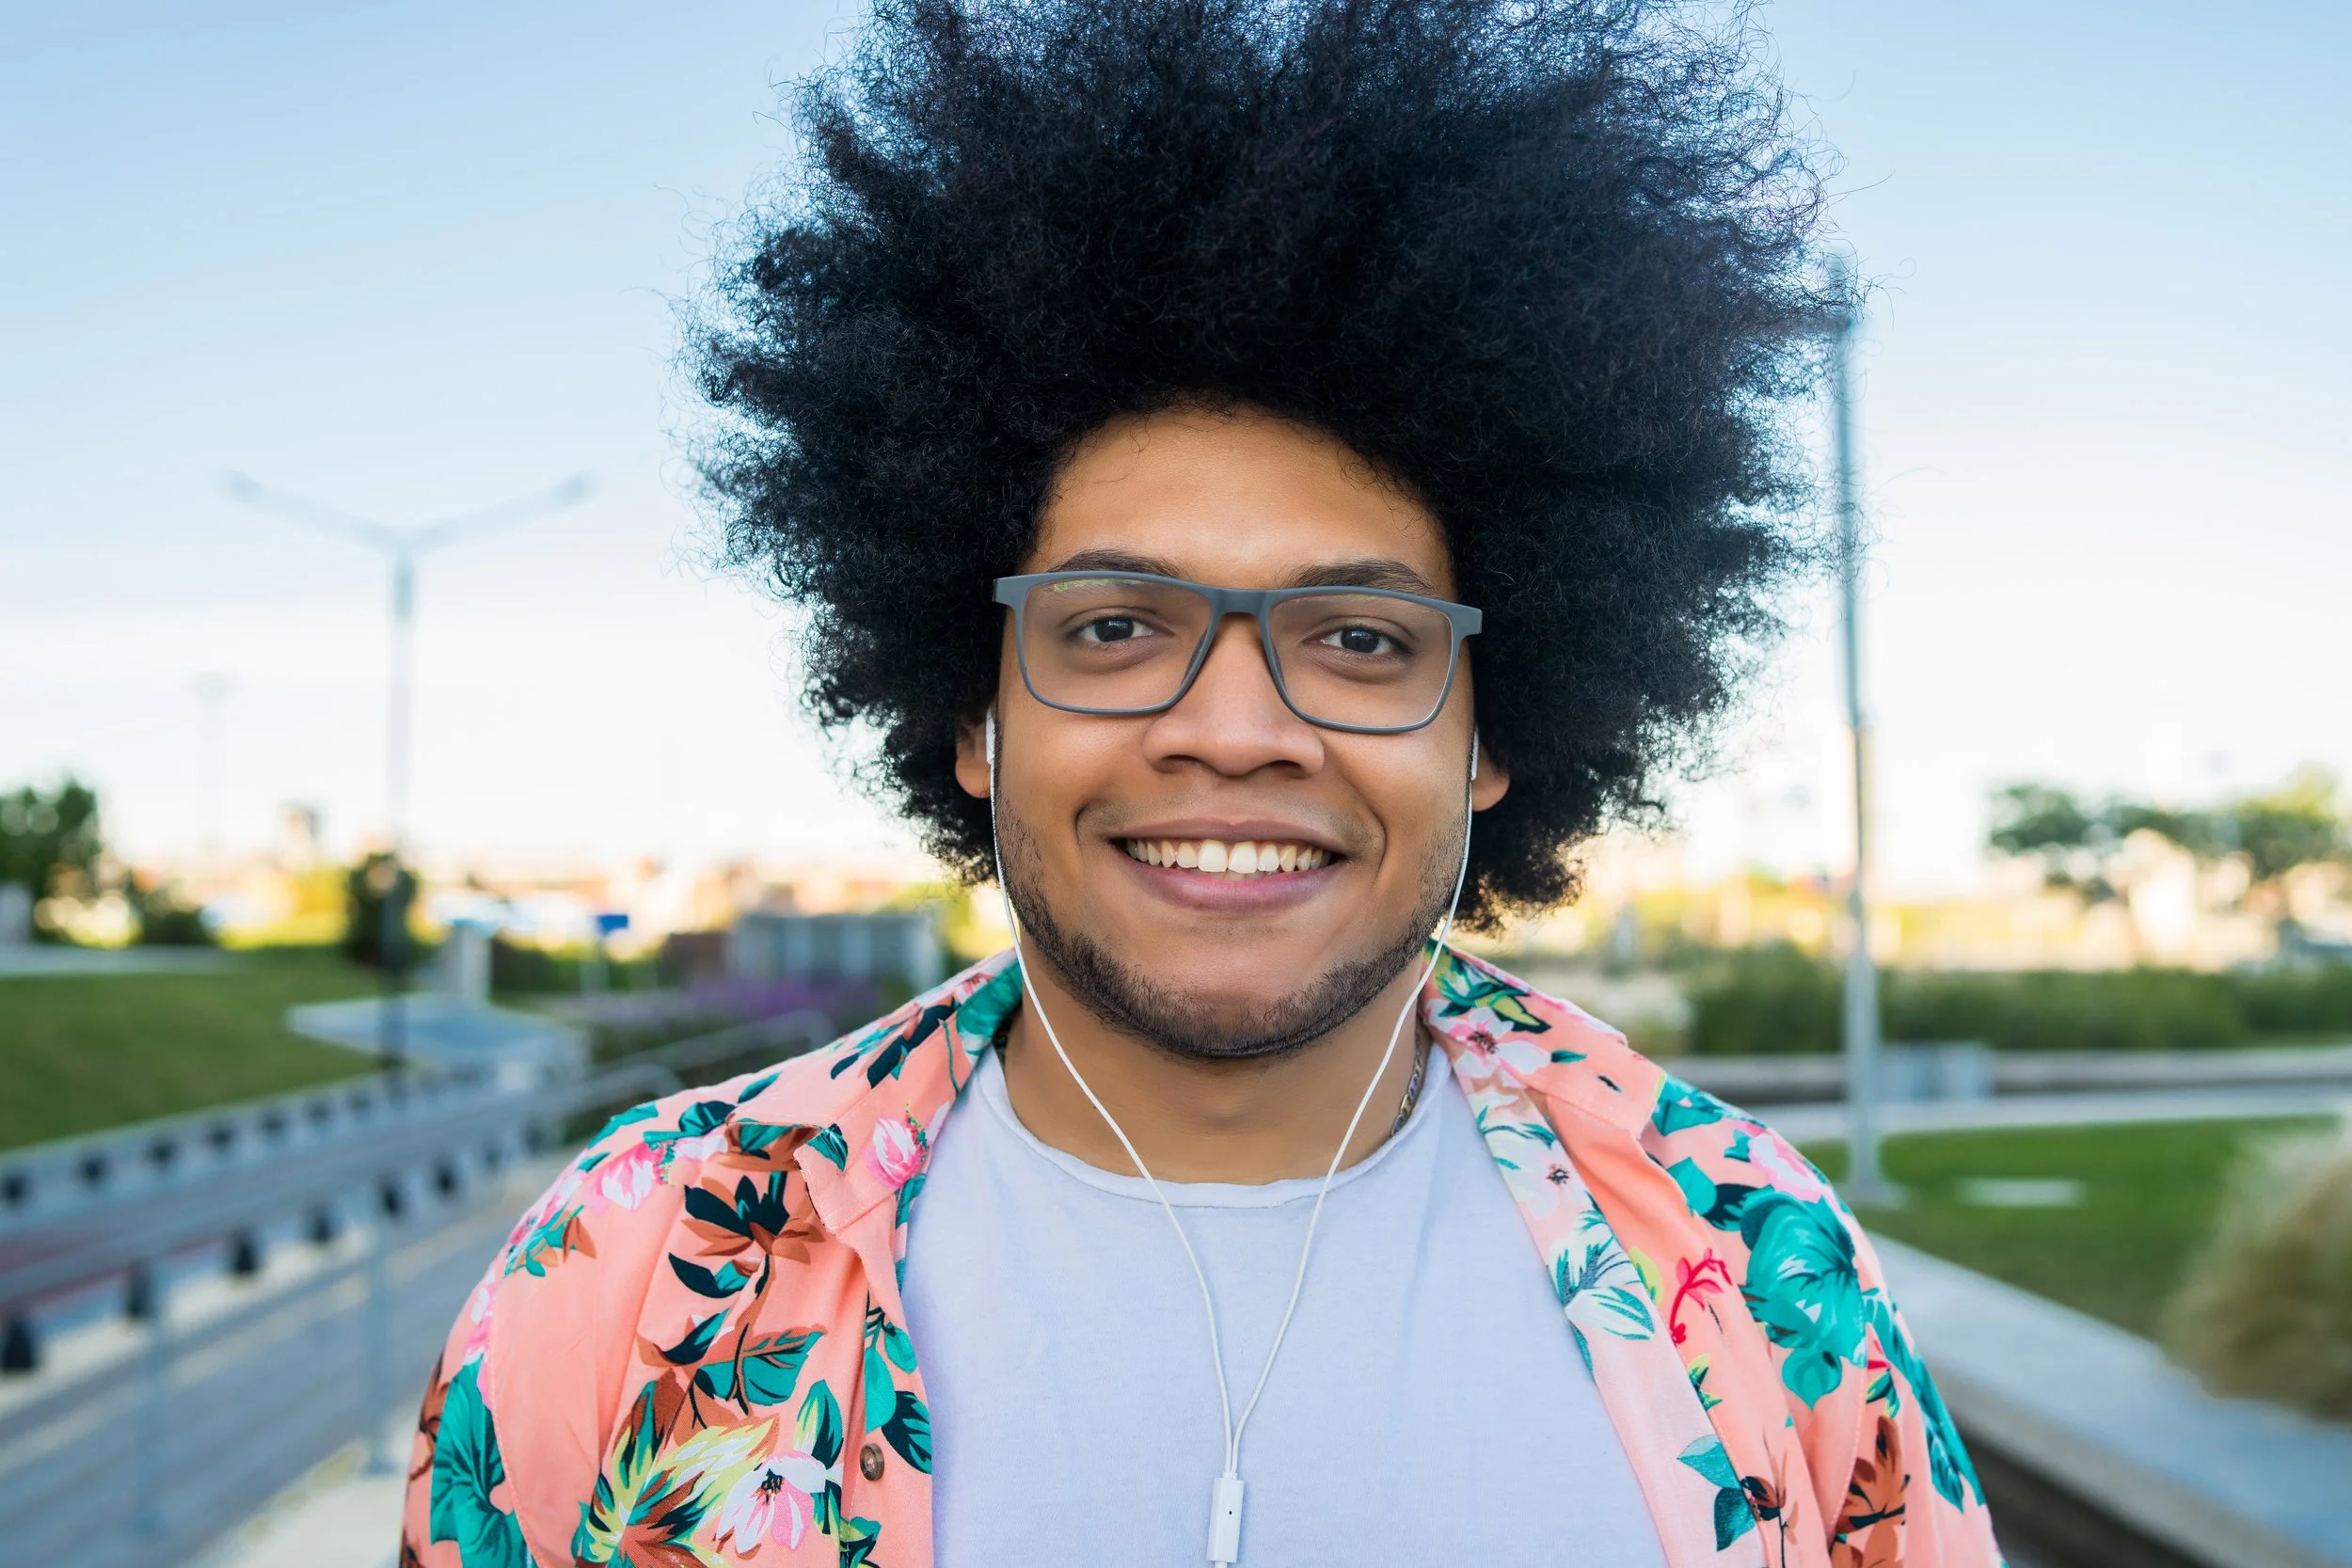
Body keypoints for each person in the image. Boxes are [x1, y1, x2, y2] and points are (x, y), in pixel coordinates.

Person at [403, 2, 2005, 1564]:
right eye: (1112, 625)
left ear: (1494, 729)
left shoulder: (1756, 1260)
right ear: (974, 715)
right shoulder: (636, 1256)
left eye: (1363, 638)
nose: (1235, 729)